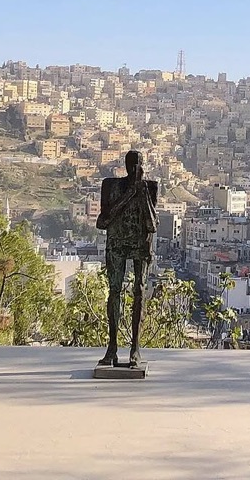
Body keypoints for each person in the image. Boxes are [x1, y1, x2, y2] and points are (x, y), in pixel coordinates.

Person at [95, 150, 158, 368]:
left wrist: (141, 193)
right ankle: (112, 347)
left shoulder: (149, 188)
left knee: (139, 290)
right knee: (114, 291)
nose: (135, 169)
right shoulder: (110, 186)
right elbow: (103, 221)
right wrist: (129, 193)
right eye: (132, 164)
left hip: (140, 244)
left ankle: (135, 348)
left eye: (138, 165)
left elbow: (152, 225)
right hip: (117, 243)